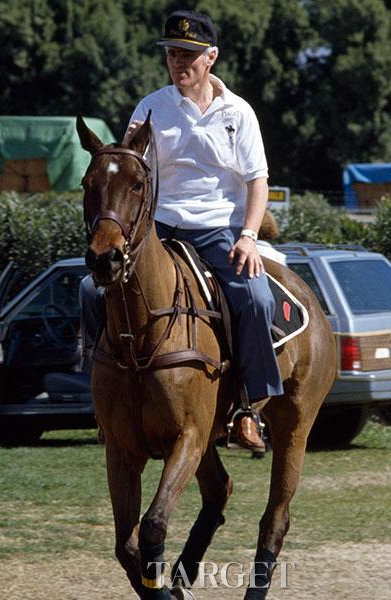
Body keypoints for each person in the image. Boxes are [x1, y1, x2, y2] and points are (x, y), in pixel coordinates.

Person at [122, 10, 284, 450]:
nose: (179, 62)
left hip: (218, 228)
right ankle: (107, 396)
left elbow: (257, 182)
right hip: (159, 227)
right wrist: (130, 148)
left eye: (188, 55)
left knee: (255, 297)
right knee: (91, 289)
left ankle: (250, 409)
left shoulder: (239, 112)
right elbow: (131, 177)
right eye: (173, 54)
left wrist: (248, 235)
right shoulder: (150, 106)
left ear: (210, 57)